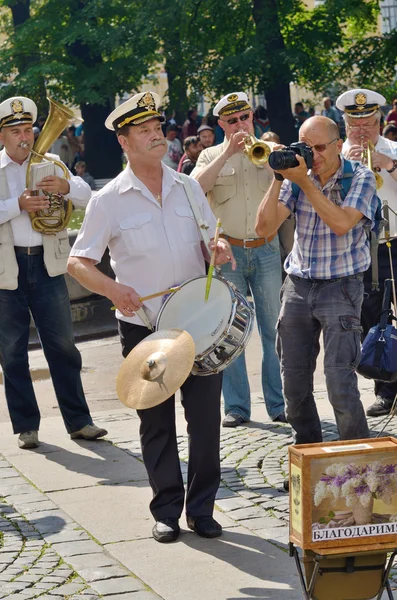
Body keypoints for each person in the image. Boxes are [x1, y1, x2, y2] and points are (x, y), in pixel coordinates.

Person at [67, 91, 235, 544]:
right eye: (144, 131)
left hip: (198, 324)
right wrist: (112, 288)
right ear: (124, 141)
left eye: (158, 128)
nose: (157, 136)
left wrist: (217, 250)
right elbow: (78, 263)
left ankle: (201, 509)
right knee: (155, 422)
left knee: (205, 421)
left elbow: (208, 242)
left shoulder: (187, 187)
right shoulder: (109, 200)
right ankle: (165, 511)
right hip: (145, 328)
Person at [255, 115, 378, 445]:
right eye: (306, 147)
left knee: (340, 384)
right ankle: (308, 458)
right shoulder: (295, 178)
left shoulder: (360, 178)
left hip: (342, 285)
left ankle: (356, 466)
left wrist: (305, 182)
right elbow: (263, 229)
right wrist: (279, 178)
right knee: (293, 386)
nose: (313, 156)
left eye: (320, 148)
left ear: (339, 145)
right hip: (298, 285)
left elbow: (341, 224)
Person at [0, 96, 107, 449]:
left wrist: (65, 186)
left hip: (46, 264)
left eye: (27, 130)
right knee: (13, 352)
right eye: (15, 131)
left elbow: (87, 197)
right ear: (2, 136)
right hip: (7, 268)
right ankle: (26, 426)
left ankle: (79, 421)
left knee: (63, 347)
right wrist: (17, 205)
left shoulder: (52, 162)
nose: (25, 137)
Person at [191, 92, 285, 427]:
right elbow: (195, 189)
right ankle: (236, 407)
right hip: (227, 251)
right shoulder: (209, 155)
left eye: (244, 117)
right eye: (232, 121)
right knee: (229, 332)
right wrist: (227, 152)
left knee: (274, 328)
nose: (240, 125)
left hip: (267, 248)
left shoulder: (271, 151)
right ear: (220, 124)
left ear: (251, 117)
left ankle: (278, 404)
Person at [337, 88, 397, 417]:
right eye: (355, 126)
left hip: (396, 238)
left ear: (379, 121)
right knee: (374, 319)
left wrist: (389, 164)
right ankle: (385, 390)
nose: (362, 132)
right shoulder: (339, 156)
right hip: (364, 244)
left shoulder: (394, 150)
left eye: (368, 125)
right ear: (345, 125)